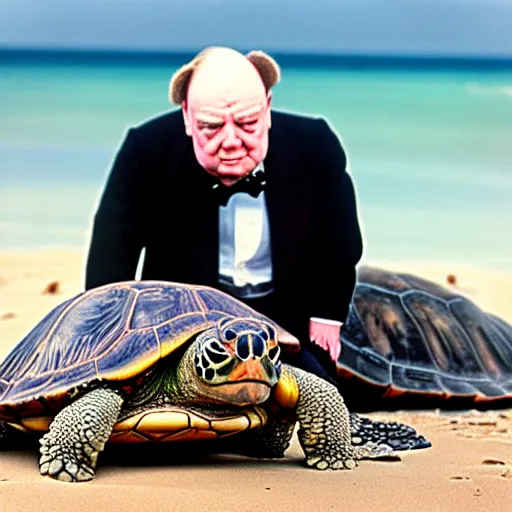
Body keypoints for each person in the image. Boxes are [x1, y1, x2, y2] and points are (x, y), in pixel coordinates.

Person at [84, 46, 363, 386]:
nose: (231, 141)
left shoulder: (314, 144)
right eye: (212, 126)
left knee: (321, 394)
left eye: (247, 123)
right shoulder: (147, 150)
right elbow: (113, 248)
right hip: (180, 329)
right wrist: (106, 343)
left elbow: (339, 237)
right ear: (187, 116)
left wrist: (327, 316)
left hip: (287, 326)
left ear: (268, 109)